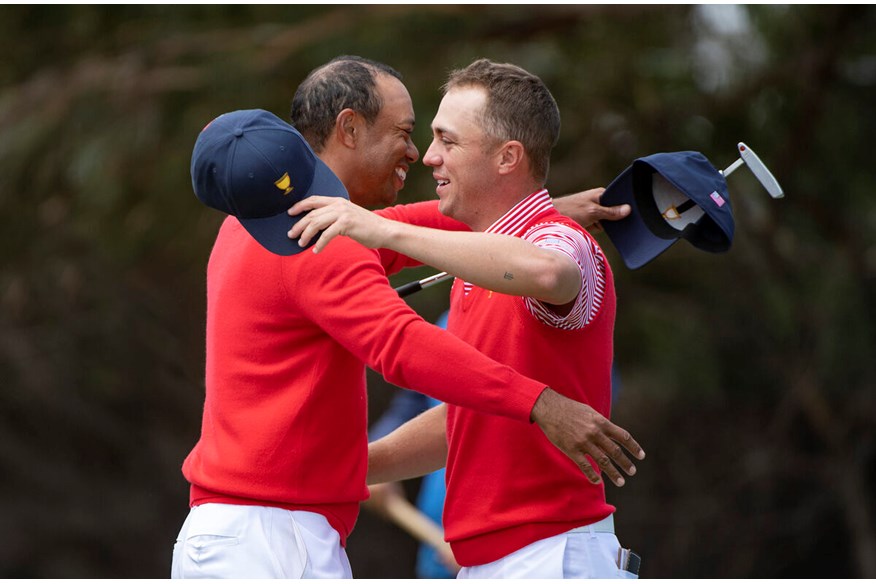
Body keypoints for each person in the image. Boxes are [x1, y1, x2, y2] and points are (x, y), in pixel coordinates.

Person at [172, 56, 642, 579]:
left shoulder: (250, 228)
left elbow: (392, 228)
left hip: (228, 532)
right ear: (349, 128)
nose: (420, 155)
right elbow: (402, 344)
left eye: (445, 140)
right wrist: (540, 402)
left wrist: (535, 214)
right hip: (275, 541)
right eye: (406, 132)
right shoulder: (325, 240)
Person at [365, 311, 458, 579]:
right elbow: (415, 401)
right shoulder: (446, 321)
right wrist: (378, 454)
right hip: (437, 547)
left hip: (507, 552)